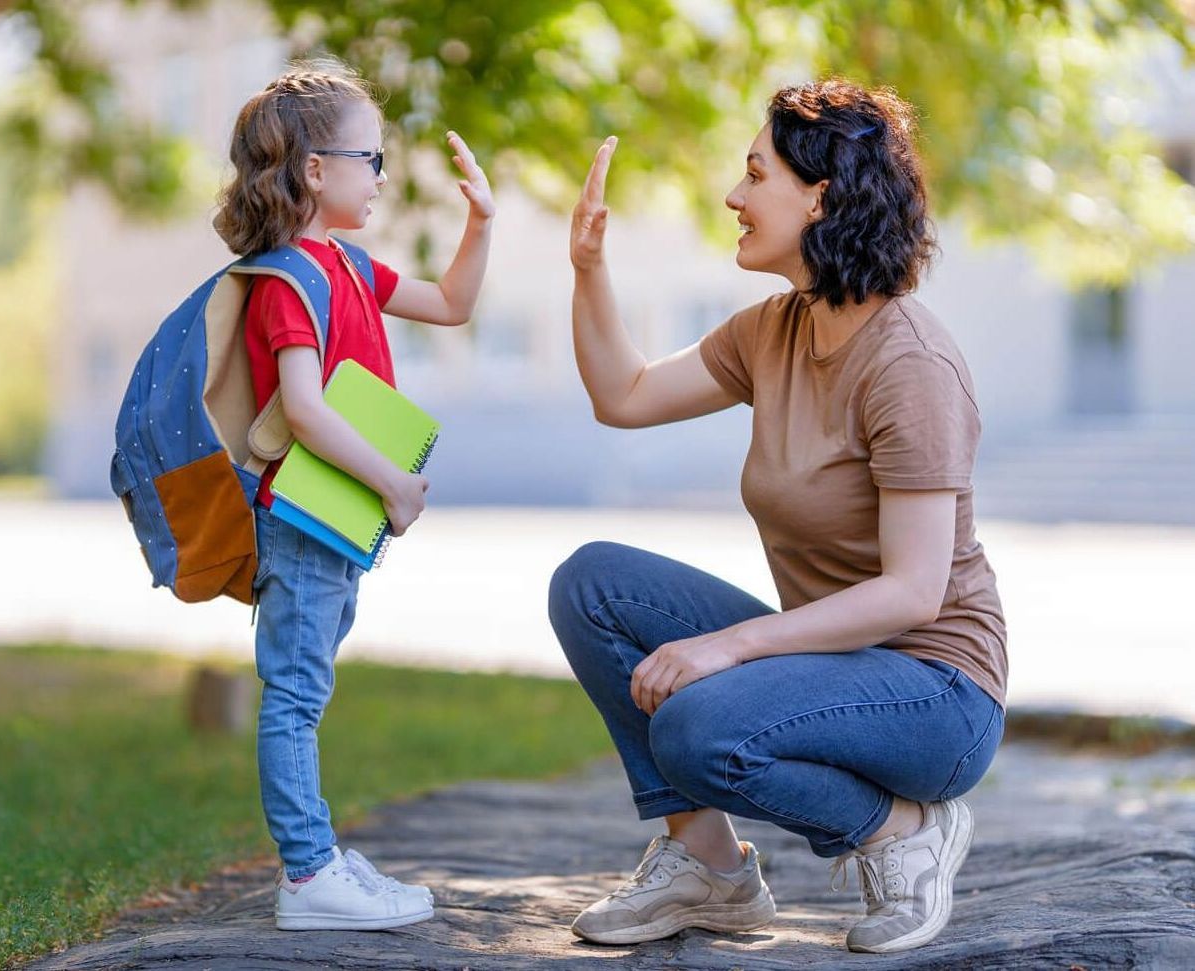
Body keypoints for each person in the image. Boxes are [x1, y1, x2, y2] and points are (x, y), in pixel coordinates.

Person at [549, 79, 1006, 954]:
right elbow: (625, 394)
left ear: (820, 195)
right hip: (831, 660)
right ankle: (709, 868)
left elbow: (912, 593)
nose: (734, 196)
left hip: (936, 693)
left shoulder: (909, 362)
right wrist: (588, 268)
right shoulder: (775, 330)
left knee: (696, 724)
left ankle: (902, 832)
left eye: (755, 174)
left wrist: (727, 646)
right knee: (592, 584)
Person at [213, 59, 494, 931]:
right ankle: (307, 875)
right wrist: (393, 483)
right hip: (303, 518)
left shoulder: (348, 264)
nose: (381, 175)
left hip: (332, 519)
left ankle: (320, 855)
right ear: (313, 170)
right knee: (294, 695)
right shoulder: (289, 279)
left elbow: (450, 302)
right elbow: (302, 409)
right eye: (370, 159)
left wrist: (481, 221)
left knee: (309, 684)